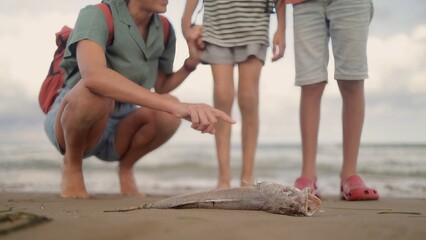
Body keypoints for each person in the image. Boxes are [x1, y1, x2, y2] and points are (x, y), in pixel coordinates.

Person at [44, 0, 235, 199]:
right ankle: (72, 164)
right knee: (94, 93)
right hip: (75, 117)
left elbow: (161, 85)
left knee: (168, 113)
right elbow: (93, 77)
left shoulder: (164, 29)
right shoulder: (96, 14)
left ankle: (126, 168)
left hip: (122, 121)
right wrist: (174, 105)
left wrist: (191, 63)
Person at [182, 0, 286, 188]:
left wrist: (281, 28)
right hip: (217, 23)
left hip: (255, 23)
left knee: (248, 98)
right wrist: (186, 21)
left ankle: (247, 179)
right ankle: (224, 178)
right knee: (222, 96)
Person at [286, 0, 379, 200]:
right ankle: (308, 175)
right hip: (304, 3)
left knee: (352, 79)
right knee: (310, 83)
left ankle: (349, 173)